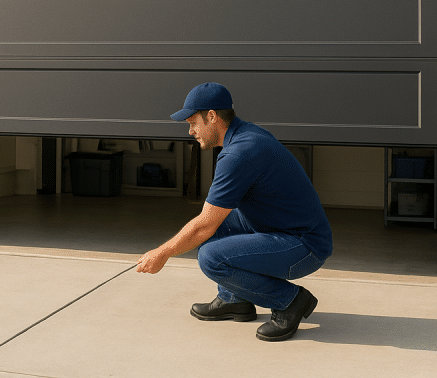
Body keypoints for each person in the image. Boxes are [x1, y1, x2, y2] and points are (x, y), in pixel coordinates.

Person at [136, 82, 332, 342]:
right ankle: (234, 300)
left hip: (304, 245)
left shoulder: (241, 152)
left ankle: (291, 301)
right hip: (279, 227)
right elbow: (211, 221)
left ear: (212, 117)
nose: (190, 130)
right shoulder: (244, 136)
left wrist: (162, 253)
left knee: (210, 257)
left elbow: (203, 226)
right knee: (217, 228)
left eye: (193, 121)